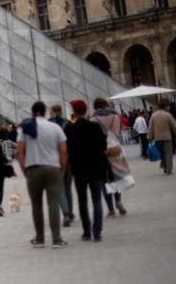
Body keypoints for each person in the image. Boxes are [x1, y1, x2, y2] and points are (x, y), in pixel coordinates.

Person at [17, 101, 68, 248]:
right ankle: (57, 239)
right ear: (45, 112)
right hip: (53, 168)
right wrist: (62, 168)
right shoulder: (55, 127)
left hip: (33, 168)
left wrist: (24, 169)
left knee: (36, 204)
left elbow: (20, 152)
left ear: (32, 112)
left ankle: (40, 238)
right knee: (53, 202)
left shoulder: (25, 128)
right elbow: (64, 151)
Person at [65, 99, 107, 242]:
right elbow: (103, 147)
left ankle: (86, 231)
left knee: (82, 200)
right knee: (97, 200)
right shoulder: (95, 127)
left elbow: (67, 150)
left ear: (74, 112)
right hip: (95, 168)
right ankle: (97, 231)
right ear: (86, 111)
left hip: (79, 170)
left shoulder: (69, 128)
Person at [91, 97, 128, 216]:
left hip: (101, 151)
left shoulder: (93, 119)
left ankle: (111, 209)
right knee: (116, 177)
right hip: (115, 148)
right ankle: (118, 200)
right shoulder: (116, 116)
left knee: (104, 180)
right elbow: (119, 131)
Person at [49, 104, 75, 226]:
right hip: (68, 159)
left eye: (51, 111)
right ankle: (70, 212)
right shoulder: (68, 123)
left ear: (55, 112)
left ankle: (66, 213)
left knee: (60, 188)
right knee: (68, 187)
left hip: (54, 160)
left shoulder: (49, 125)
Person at [148, 100, 176, 175]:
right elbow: (174, 127)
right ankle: (169, 170)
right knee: (168, 153)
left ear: (158, 107)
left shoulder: (153, 116)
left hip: (157, 138)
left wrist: (150, 137)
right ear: (165, 107)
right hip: (167, 137)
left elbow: (150, 128)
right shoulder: (168, 115)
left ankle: (165, 167)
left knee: (162, 154)